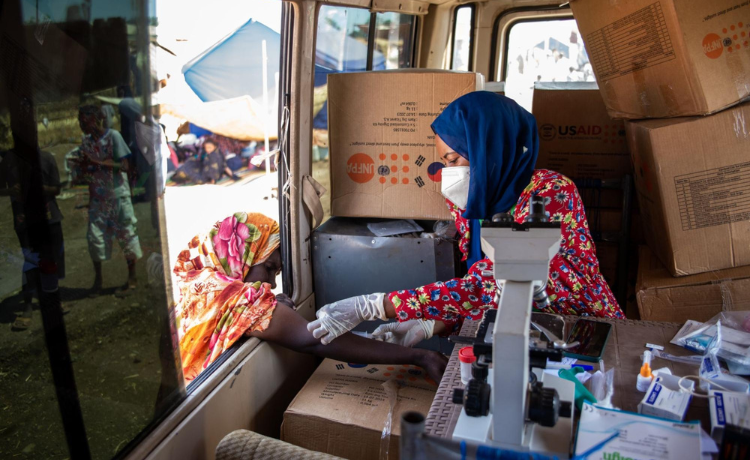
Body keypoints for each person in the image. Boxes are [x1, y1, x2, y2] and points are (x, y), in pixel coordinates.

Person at [308, 91, 624, 347]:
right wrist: (434, 323)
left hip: (584, 331)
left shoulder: (549, 193)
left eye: (455, 159)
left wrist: (378, 306)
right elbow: (481, 290)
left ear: (489, 148)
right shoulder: (471, 204)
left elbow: (505, 281)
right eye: (445, 162)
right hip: (520, 332)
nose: (449, 173)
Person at [172, 212, 447, 383]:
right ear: (241, 254)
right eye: (269, 269)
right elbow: (312, 340)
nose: (271, 283)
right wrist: (419, 356)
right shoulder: (233, 295)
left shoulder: (198, 280)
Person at [72, 105, 143, 297]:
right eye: (79, 121)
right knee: (94, 238)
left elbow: (125, 165)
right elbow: (86, 169)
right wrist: (83, 170)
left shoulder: (113, 137)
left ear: (95, 119)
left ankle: (132, 277)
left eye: (84, 120)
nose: (81, 125)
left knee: (126, 234)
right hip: (98, 197)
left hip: (117, 195)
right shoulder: (86, 142)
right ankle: (98, 280)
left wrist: (96, 163)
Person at [0, 147, 67, 330]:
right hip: (24, 220)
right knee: (30, 261)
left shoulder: (46, 158)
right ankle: (27, 307)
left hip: (49, 217)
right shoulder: (9, 160)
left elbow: (57, 189)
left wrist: (40, 188)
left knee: (50, 259)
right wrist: (11, 190)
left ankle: (53, 301)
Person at [171, 138, 237, 185]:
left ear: (215, 146)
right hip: (205, 168)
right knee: (190, 162)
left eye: (210, 147)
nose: (207, 149)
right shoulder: (215, 152)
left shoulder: (214, 156)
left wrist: (212, 181)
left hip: (207, 176)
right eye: (206, 147)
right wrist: (232, 175)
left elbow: (215, 169)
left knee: (188, 169)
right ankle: (179, 175)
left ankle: (179, 176)